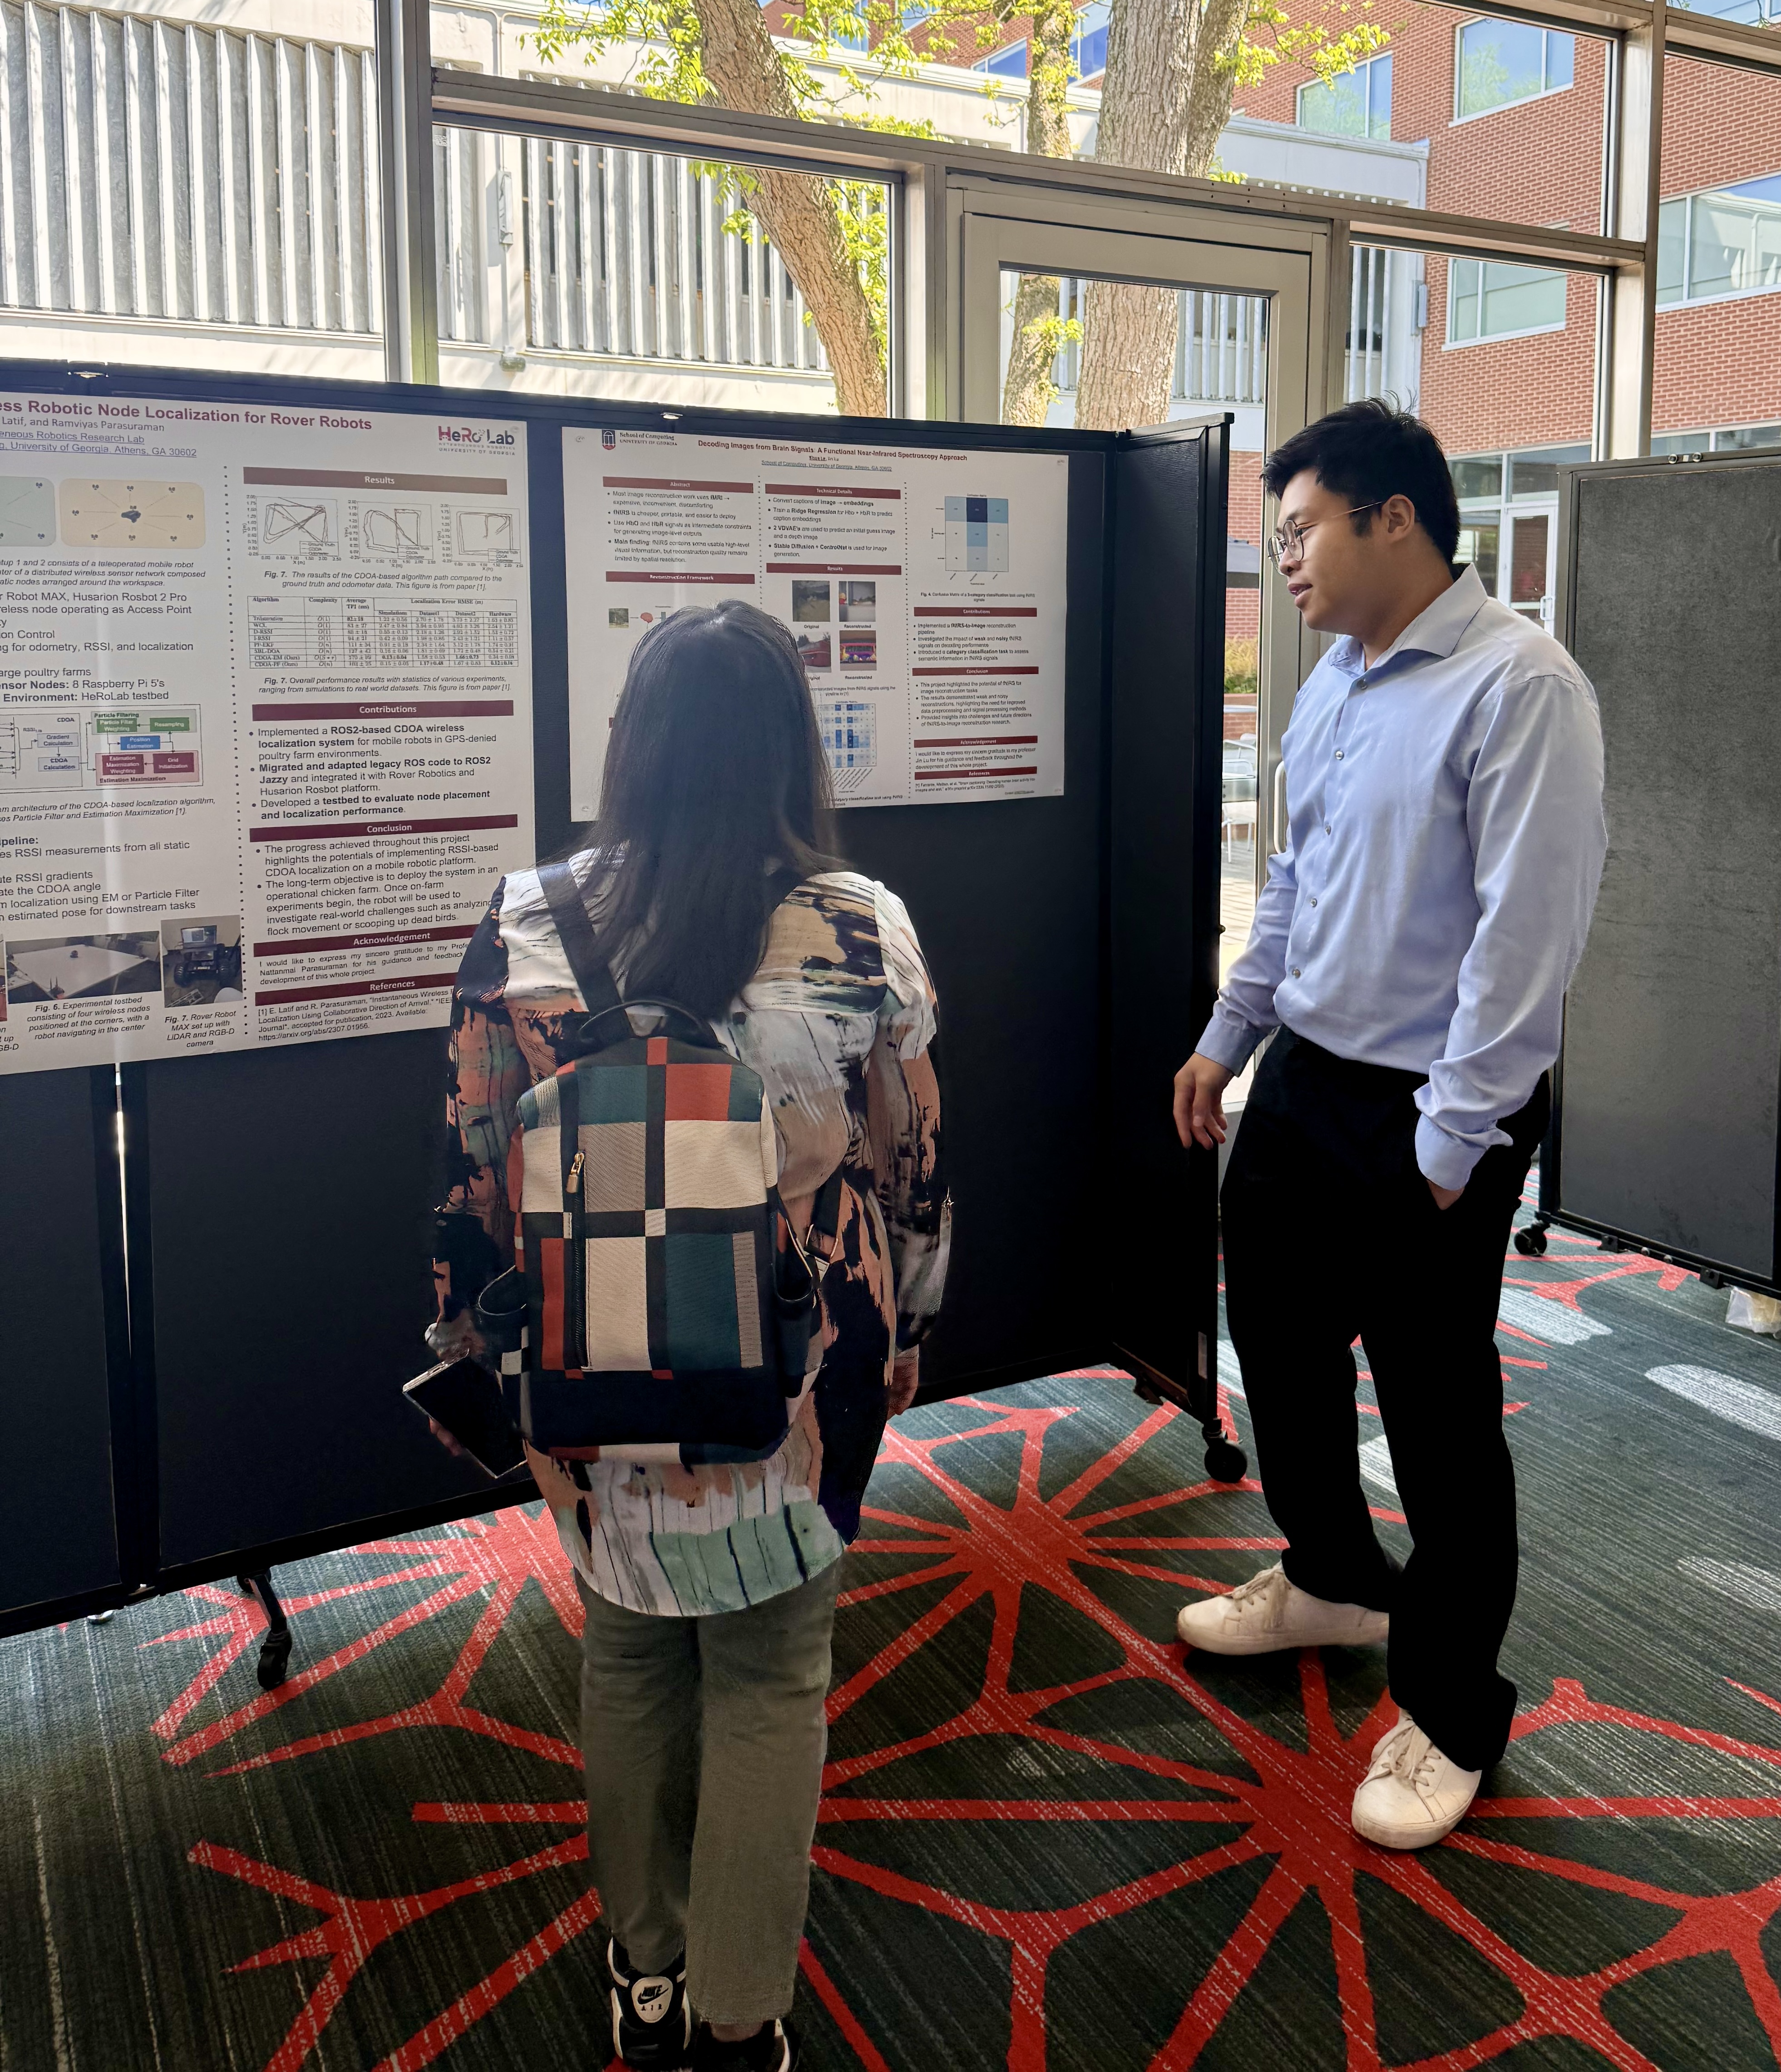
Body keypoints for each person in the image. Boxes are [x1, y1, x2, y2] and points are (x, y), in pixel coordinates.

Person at [430, 600, 950, 2071]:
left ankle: (643, 1976)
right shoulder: (860, 924)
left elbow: (470, 1168)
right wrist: (909, 1324)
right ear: (790, 746)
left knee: (632, 1656)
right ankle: (739, 2019)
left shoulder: (524, 920)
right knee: (773, 1673)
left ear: (630, 746)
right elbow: (913, 1163)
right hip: (788, 1381)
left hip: (585, 1372)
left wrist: (474, 1349)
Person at [1171, 400, 1606, 1851]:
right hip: (1306, 1074)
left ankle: (1451, 1704)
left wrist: (1450, 1141)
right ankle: (1332, 1574)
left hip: (1436, 1108)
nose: (1280, 558)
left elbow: (1522, 939)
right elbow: (1291, 883)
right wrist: (1230, 1035)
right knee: (1279, 1353)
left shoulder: (1516, 687)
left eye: (1294, 529)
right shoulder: (1335, 685)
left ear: (1392, 519)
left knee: (1434, 1410)